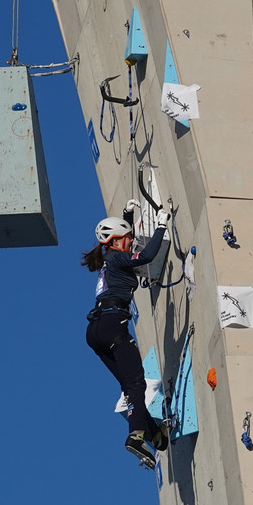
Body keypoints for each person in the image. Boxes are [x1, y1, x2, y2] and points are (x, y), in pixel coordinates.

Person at [82, 200, 171, 467]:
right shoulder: (118, 257)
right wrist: (161, 227)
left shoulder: (109, 259)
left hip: (95, 330)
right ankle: (136, 436)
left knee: (128, 385)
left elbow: (125, 244)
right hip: (113, 325)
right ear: (117, 240)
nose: (133, 241)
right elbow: (145, 257)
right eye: (129, 237)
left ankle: (153, 432)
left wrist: (127, 215)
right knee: (136, 382)